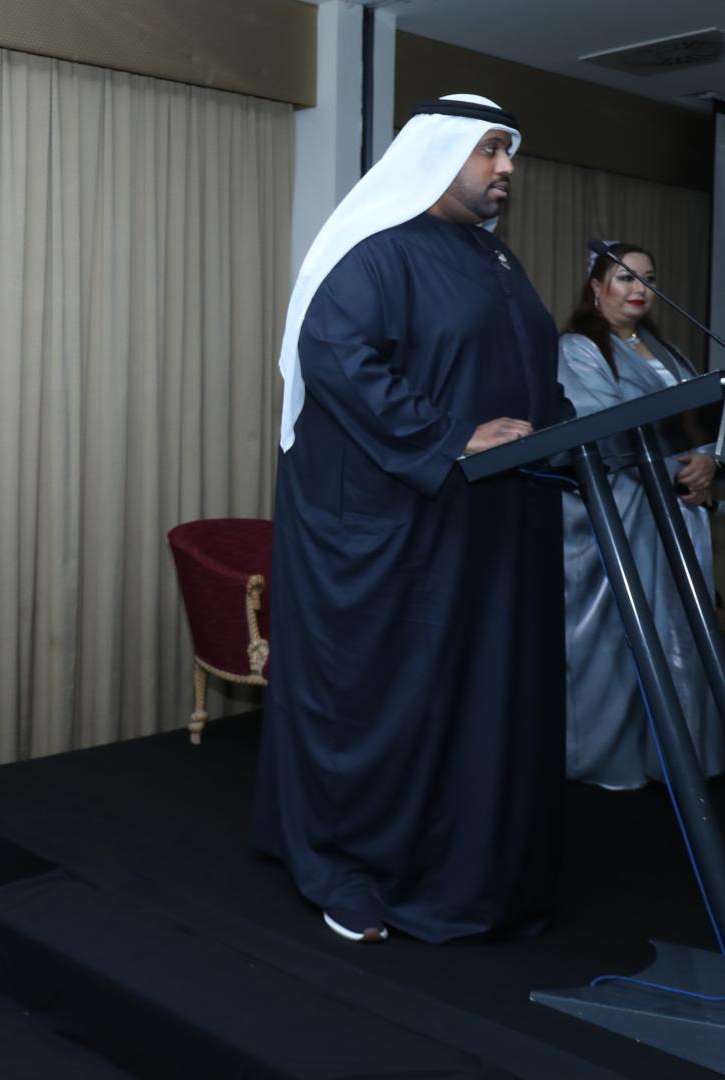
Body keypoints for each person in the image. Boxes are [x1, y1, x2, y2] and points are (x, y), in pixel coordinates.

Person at [252, 95, 574, 944]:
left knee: (479, 700)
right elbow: (335, 355)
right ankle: (355, 868)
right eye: (490, 150)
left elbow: (528, 380)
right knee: (394, 699)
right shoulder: (375, 251)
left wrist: (576, 437)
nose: (507, 167)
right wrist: (449, 437)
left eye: (509, 151)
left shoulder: (495, 259)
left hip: (490, 528)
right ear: (438, 154)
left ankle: (474, 872)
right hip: (396, 533)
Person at [557, 242, 725, 789]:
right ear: (596, 286)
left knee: (683, 631)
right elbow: (599, 425)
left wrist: (708, 462)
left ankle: (681, 757)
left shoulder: (668, 352)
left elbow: (702, 420)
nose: (639, 289)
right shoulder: (579, 348)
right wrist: (680, 464)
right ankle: (615, 761)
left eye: (648, 279)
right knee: (624, 635)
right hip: (625, 512)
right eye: (625, 277)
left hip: (678, 513)